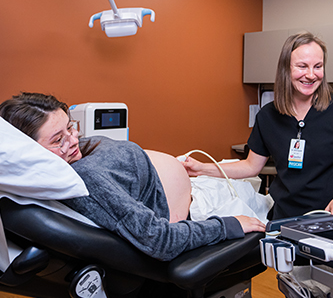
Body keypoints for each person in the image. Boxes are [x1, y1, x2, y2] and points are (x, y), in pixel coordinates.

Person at [0, 92, 265, 261]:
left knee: (241, 176)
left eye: (71, 127)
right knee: (260, 201)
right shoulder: (85, 181)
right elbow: (160, 239)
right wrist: (228, 225)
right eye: (58, 140)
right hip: (201, 208)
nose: (73, 140)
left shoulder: (73, 156)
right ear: (31, 150)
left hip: (194, 185)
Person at [183, 32, 333, 220]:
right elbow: (250, 166)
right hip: (286, 219)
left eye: (318, 66)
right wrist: (201, 169)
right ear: (286, 69)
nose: (311, 75)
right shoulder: (268, 116)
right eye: (302, 66)